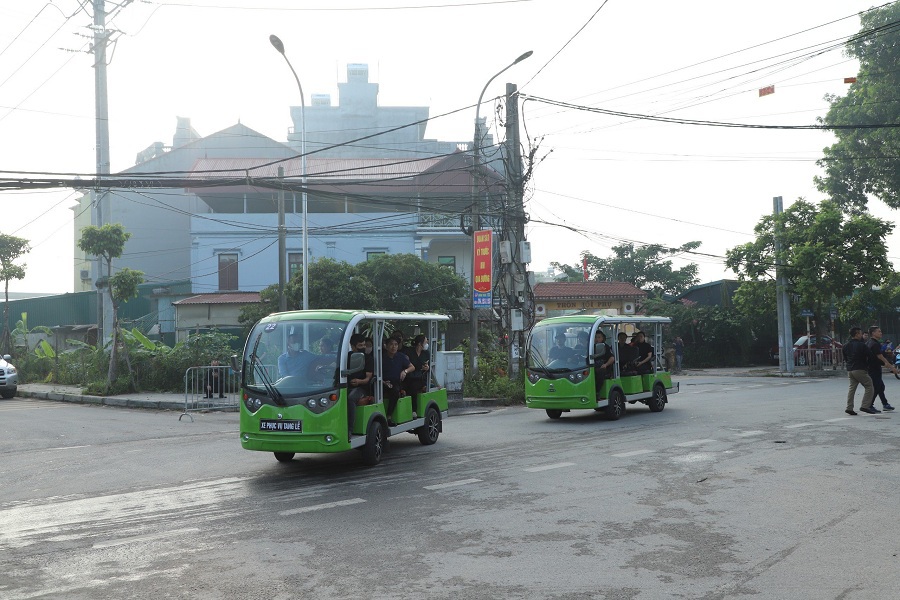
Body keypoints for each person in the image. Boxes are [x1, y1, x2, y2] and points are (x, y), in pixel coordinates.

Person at [381, 337, 414, 425]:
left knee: (395, 392)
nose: (393, 347)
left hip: (395, 383)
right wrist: (383, 382)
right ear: (386, 346)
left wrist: (405, 371)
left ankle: (388, 417)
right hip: (382, 382)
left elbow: (412, 367)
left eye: (395, 345)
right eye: (391, 344)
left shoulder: (401, 356)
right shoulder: (381, 357)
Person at [346, 333, 374, 436]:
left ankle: (350, 429)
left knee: (351, 398)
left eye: (364, 345)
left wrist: (359, 381)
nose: (363, 348)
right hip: (345, 386)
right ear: (353, 347)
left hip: (362, 388)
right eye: (360, 346)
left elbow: (367, 379)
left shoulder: (368, 359)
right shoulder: (347, 357)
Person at [865, 326, 897, 412]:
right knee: (877, 386)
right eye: (879, 331)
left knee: (880, 386)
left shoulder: (869, 342)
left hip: (872, 367)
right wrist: (889, 365)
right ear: (873, 333)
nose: (881, 333)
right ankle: (869, 405)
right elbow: (879, 356)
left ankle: (885, 404)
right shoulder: (874, 344)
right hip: (873, 368)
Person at [845, 327, 875, 415]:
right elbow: (870, 356)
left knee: (852, 389)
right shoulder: (862, 345)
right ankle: (865, 406)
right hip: (860, 369)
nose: (862, 335)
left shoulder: (846, 345)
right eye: (861, 333)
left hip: (850, 369)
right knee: (869, 385)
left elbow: (845, 358)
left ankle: (849, 408)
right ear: (857, 334)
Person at [403, 334, 431, 416]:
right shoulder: (409, 352)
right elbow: (407, 363)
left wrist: (427, 367)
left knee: (414, 387)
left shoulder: (426, 353)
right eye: (425, 342)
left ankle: (414, 410)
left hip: (420, 378)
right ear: (419, 343)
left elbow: (427, 364)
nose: (426, 344)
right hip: (409, 377)